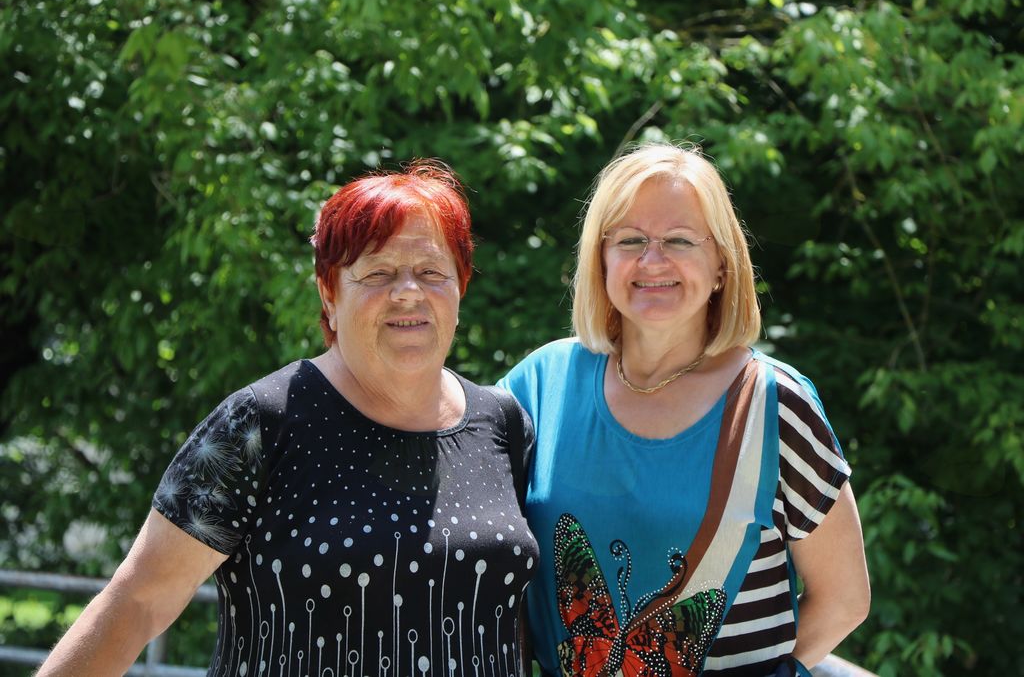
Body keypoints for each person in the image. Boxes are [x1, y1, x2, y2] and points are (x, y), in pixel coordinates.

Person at [37, 161, 539, 677]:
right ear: (329, 293)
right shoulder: (260, 423)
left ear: (461, 286)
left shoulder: (503, 424)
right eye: (378, 273)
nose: (408, 291)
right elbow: (137, 603)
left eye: (432, 272)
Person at [499, 144, 870, 677]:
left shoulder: (773, 404)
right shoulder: (539, 385)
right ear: (601, 259)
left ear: (721, 263)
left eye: (679, 240)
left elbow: (844, 599)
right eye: (630, 240)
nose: (653, 261)